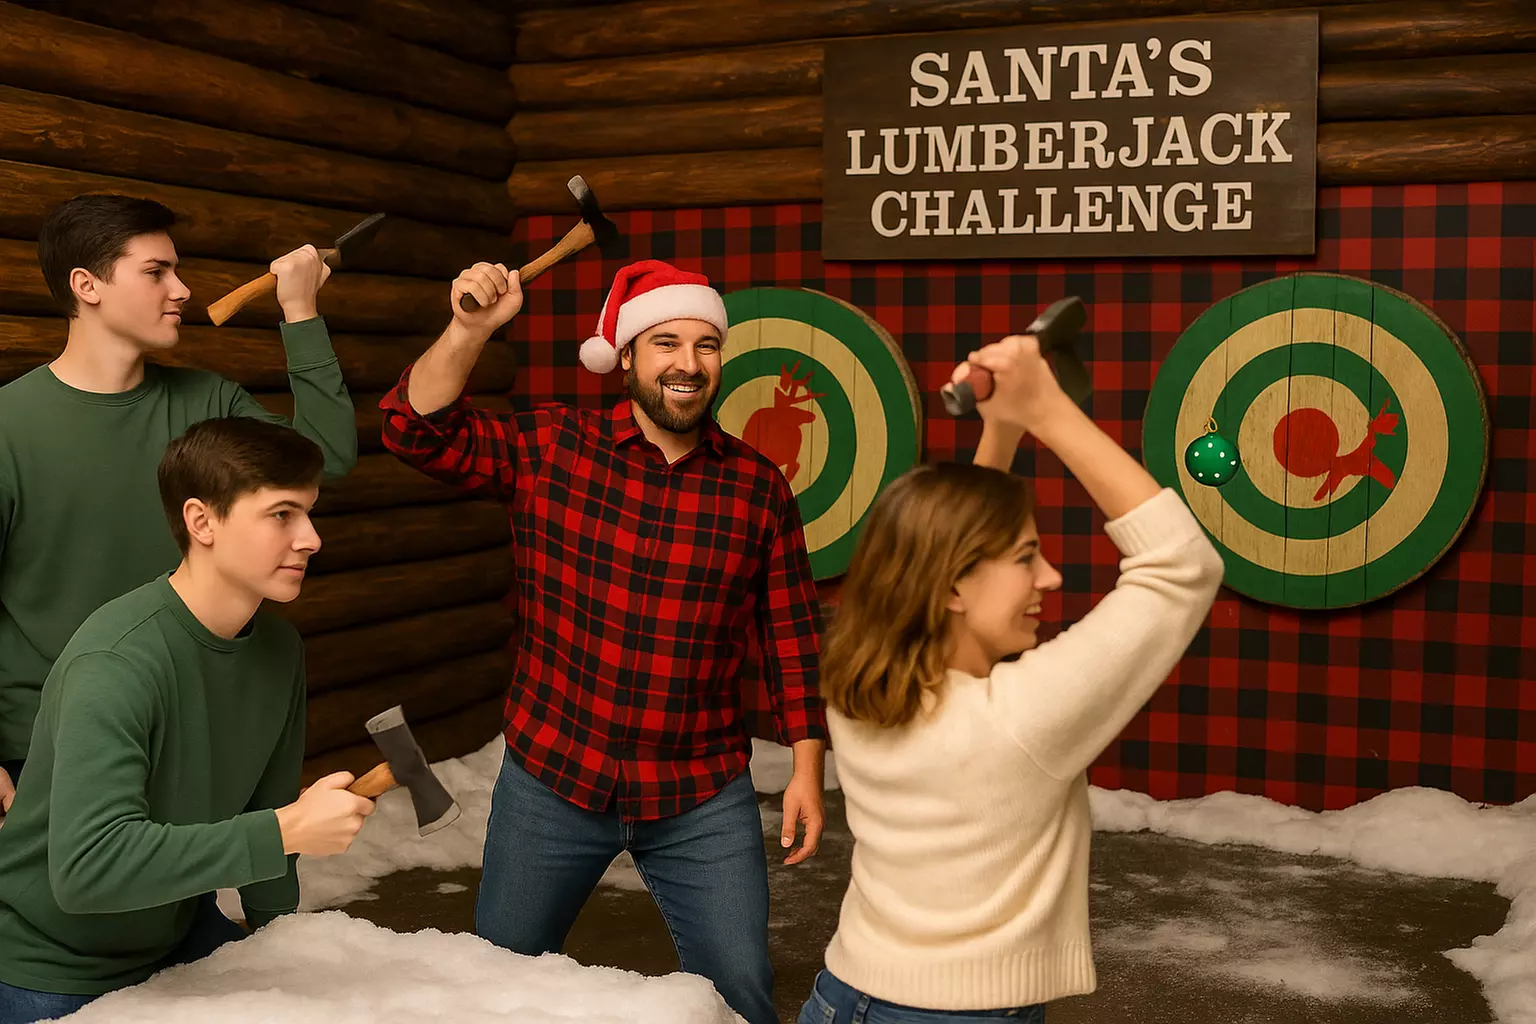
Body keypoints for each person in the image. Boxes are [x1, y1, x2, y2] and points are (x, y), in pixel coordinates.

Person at [379, 258, 827, 1024]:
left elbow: (790, 634)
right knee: (495, 989)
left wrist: (808, 768)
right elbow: (413, 430)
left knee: (744, 994)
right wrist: (468, 329)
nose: (688, 363)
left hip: (698, 791)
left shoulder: (757, 486)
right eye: (665, 343)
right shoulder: (555, 445)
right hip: (554, 776)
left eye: (705, 345)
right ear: (624, 356)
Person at [799, 331, 1225, 1023]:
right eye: (1028, 557)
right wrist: (1047, 411)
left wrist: (1001, 427)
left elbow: (940, 555)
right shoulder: (1021, 717)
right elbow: (1182, 566)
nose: (1049, 577)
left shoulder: (862, 681)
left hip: (843, 998)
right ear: (955, 586)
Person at [0, 417, 376, 1024]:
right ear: (202, 521)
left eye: (308, 513)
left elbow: (269, 806)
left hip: (175, 936)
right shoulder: (115, 662)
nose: (310, 538)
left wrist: (283, 952)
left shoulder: (280, 651)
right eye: (282, 514)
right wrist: (283, 831)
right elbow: (88, 870)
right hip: (55, 963)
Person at [0, 194, 358, 813]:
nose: (182, 289)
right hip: (45, 745)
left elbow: (325, 458)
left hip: (185, 723)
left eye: (177, 269)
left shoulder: (208, 402)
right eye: (155, 271)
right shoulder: (9, 425)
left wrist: (300, 312)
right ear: (86, 285)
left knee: (182, 905)